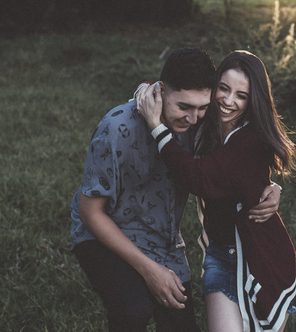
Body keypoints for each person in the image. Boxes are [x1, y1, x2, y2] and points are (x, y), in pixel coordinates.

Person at [70, 48, 281, 331]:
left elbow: (237, 162)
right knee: (134, 311)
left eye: (202, 107)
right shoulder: (116, 128)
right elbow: (90, 214)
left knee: (181, 325)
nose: (194, 119)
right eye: (184, 107)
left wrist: (270, 187)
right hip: (104, 235)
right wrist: (150, 270)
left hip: (165, 243)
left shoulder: (201, 124)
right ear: (160, 92)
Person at [136, 50, 296, 332]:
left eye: (241, 95)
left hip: (260, 257)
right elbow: (170, 90)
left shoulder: (250, 139)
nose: (228, 101)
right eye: (223, 89)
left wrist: (156, 127)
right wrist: (145, 90)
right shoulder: (204, 120)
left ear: (253, 101)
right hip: (220, 255)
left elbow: (198, 177)